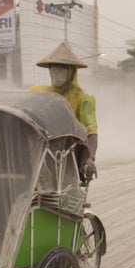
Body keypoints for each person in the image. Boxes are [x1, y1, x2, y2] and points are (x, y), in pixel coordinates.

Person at [30, 42, 98, 181]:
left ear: (71, 72)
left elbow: (91, 132)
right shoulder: (39, 93)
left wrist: (90, 159)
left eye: (61, 69)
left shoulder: (83, 98)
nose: (56, 73)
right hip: (40, 151)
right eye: (53, 68)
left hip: (68, 157)